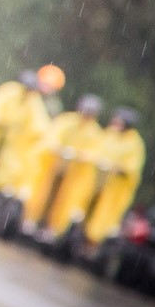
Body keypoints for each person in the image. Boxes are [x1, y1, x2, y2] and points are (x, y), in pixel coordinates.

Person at [0, 65, 61, 224]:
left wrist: (32, 135)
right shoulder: (10, 91)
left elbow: (40, 125)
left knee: (5, 173)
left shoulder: (34, 101)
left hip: (11, 146)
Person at [39, 93, 111, 241]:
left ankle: (56, 229)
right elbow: (53, 136)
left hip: (75, 176)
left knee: (67, 203)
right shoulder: (67, 121)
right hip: (56, 168)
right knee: (45, 194)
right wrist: (58, 148)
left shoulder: (94, 131)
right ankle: (37, 221)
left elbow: (97, 152)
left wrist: (81, 155)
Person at [81, 107, 148, 249]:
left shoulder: (134, 143)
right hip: (98, 182)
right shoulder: (110, 134)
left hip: (114, 190)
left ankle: (93, 244)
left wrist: (119, 168)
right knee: (85, 208)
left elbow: (132, 167)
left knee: (104, 219)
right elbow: (96, 149)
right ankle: (80, 236)